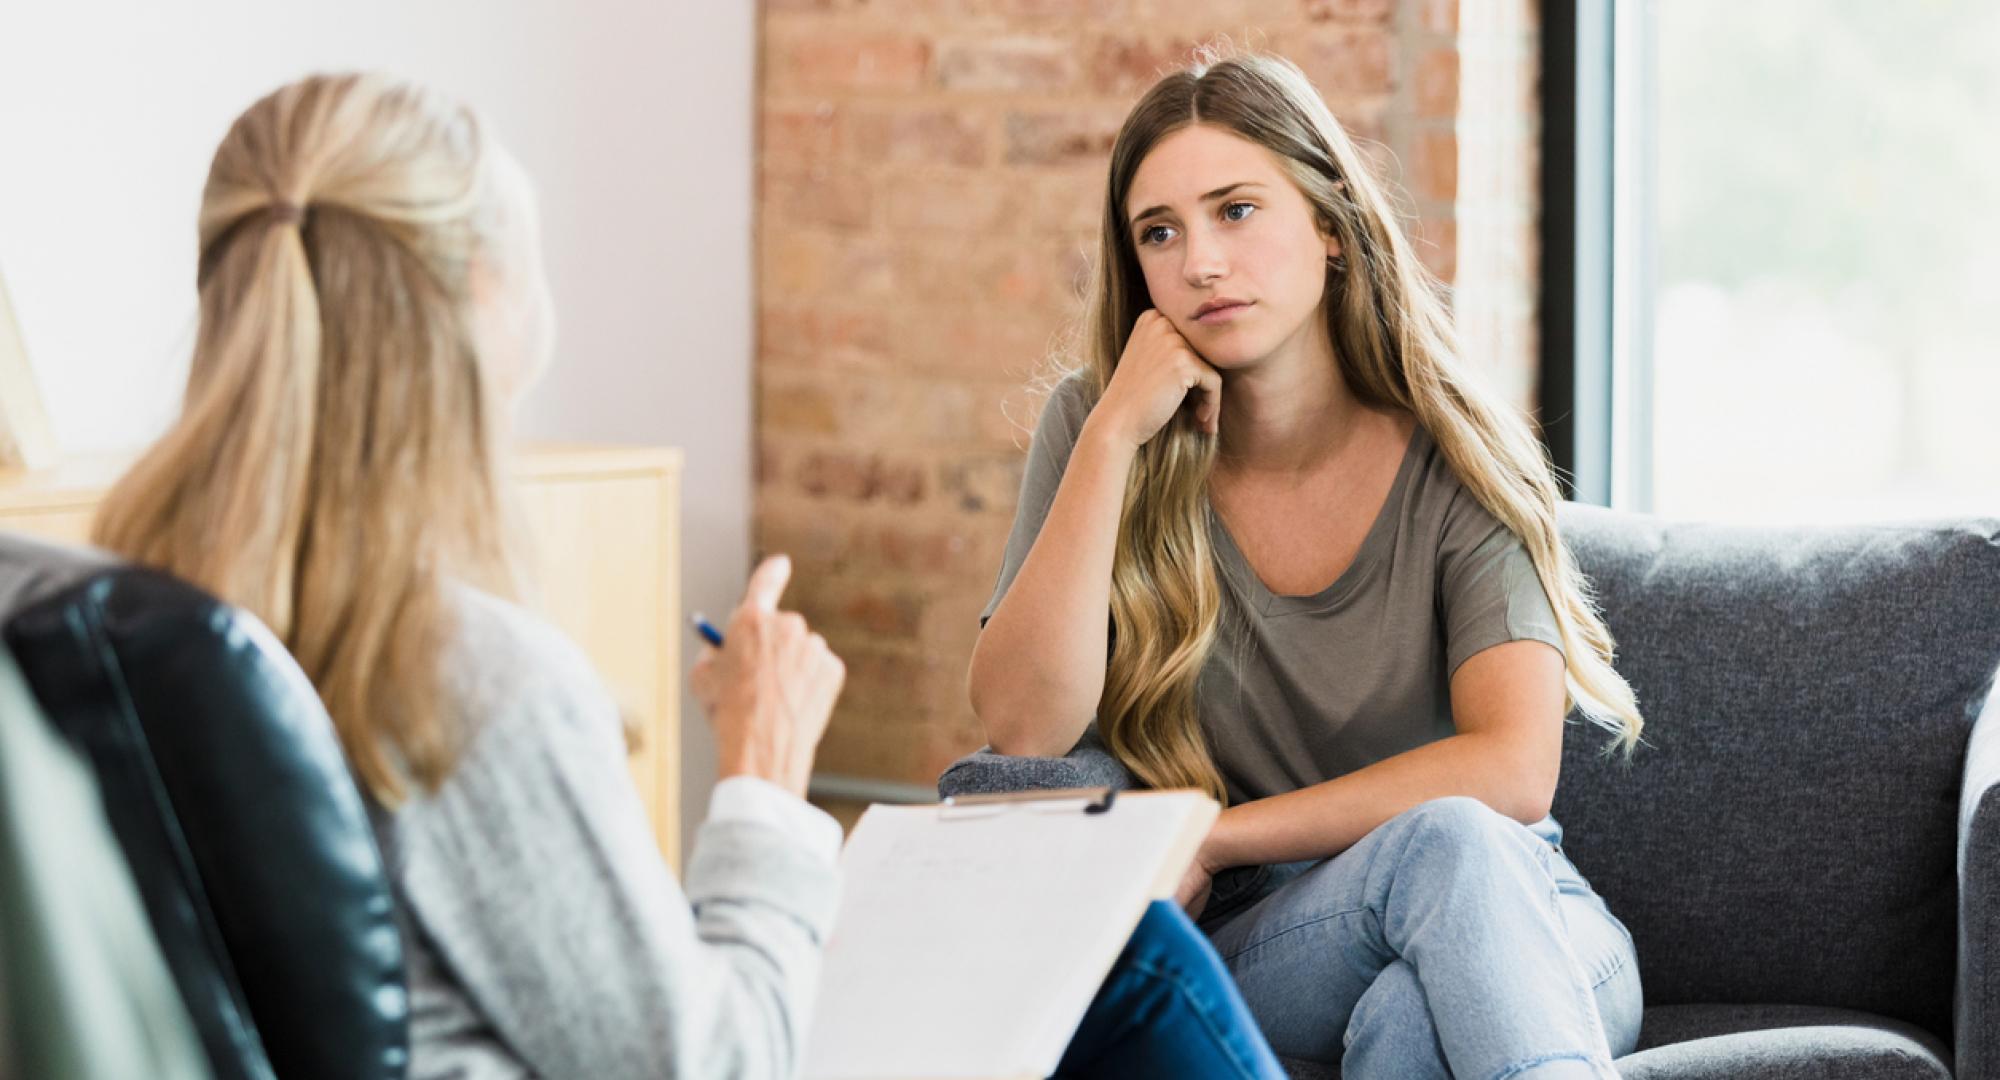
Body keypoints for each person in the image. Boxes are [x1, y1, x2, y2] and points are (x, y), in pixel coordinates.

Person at [91, 72, 1282, 1080]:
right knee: (1141, 968)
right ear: (480, 308)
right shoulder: (458, 678)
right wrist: (764, 777)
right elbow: (704, 1064)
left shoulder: (126, 611)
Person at [968, 51, 1647, 1079]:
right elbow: (1022, 726)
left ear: (1328, 226)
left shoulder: (1451, 447)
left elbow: (1510, 769)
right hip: (1280, 937)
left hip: (1528, 917)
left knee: (1420, 990)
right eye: (1160, 232)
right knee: (1439, 853)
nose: (1199, 261)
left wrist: (1214, 835)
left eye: (1234, 211)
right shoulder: (1098, 426)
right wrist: (1110, 437)